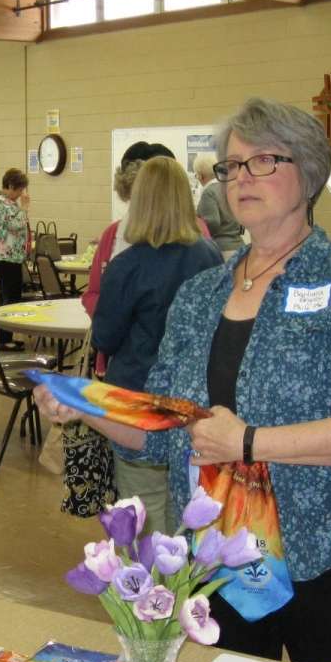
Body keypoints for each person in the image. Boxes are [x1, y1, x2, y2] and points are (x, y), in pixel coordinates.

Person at [37, 97, 331, 662]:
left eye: (263, 161)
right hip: (219, 560)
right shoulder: (201, 293)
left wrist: (249, 442)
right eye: (231, 166)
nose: (242, 177)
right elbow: (161, 432)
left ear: (309, 171)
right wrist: (85, 402)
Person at [93, 156, 223, 534]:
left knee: (143, 514)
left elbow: (105, 337)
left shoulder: (126, 266)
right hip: (194, 404)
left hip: (136, 403)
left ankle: (151, 592)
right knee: (193, 511)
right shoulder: (210, 256)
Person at [0, 168, 31, 351]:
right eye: (19, 190)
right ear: (11, 186)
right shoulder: (0, 203)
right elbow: (16, 225)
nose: (21, 194)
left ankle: (5, 337)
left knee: (8, 295)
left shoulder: (6, 203)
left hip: (10, 256)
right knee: (10, 297)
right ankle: (4, 340)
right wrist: (25, 208)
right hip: (5, 256)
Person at [192, 152, 245, 256]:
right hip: (239, 246)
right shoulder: (229, 188)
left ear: (201, 175)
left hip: (221, 249)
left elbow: (212, 222)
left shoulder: (209, 192)